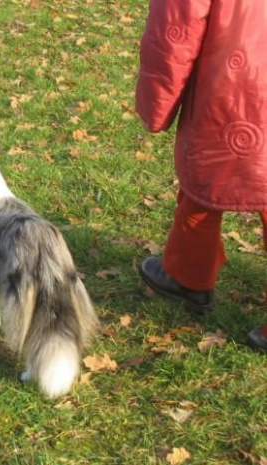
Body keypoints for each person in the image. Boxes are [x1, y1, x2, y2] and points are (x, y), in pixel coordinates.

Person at [135, 0, 267, 351]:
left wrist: (156, 107)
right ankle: (186, 275)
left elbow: (174, 32)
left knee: (205, 178)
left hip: (232, 84)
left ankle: (187, 277)